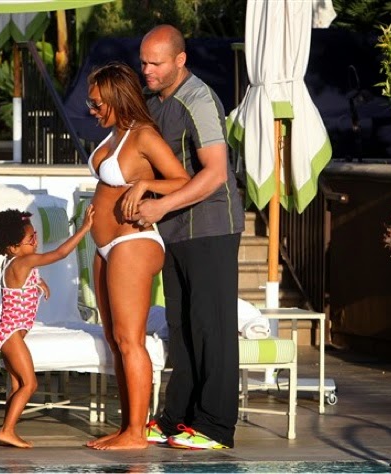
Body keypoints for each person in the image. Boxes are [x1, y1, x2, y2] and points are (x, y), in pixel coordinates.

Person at [134, 24, 245, 450]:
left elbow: (215, 173)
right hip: (175, 231)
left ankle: (215, 426)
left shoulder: (198, 99)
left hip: (212, 226)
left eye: (156, 63)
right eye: (144, 62)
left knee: (210, 326)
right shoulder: (151, 101)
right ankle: (176, 418)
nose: (147, 70)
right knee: (180, 326)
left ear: (180, 60)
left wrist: (160, 206)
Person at [83, 62, 190, 450]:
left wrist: (145, 184)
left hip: (133, 242)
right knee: (115, 340)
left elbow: (182, 180)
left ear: (116, 98)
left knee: (130, 340)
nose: (92, 110)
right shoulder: (114, 134)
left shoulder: (143, 135)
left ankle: (136, 434)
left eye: (97, 103)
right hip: (104, 245)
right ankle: (128, 425)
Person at [0, 205, 95, 448]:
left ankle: (8, 429)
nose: (36, 242)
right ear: (13, 247)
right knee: (30, 384)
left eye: (35, 236)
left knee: (18, 386)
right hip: (11, 335)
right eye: (30, 239)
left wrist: (39, 282)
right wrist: (84, 228)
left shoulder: (13, 262)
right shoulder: (23, 262)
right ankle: (7, 431)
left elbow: (22, 279)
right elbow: (60, 254)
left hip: (7, 334)